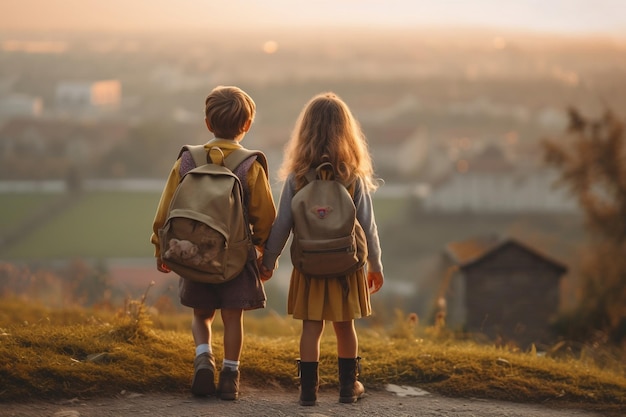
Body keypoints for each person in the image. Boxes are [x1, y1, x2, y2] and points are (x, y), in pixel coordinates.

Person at [150, 86, 276, 400]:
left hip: (192, 255)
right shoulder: (251, 165)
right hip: (236, 258)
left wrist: (160, 246)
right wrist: (262, 252)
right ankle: (230, 373)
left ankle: (203, 359)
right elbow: (266, 216)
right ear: (246, 126)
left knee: (201, 315)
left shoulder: (187, 160)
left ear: (207, 124)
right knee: (233, 317)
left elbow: (166, 209)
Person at [260, 92, 384, 406]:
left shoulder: (297, 179)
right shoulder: (351, 178)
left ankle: (307, 392)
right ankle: (347, 387)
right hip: (347, 265)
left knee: (311, 328)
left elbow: (282, 225)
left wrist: (269, 260)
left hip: (309, 265)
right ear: (347, 133)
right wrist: (376, 265)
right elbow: (368, 227)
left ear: (305, 133)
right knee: (345, 327)